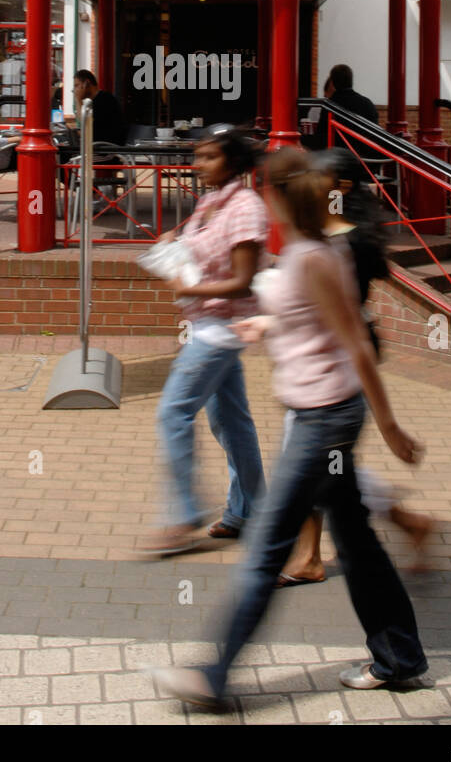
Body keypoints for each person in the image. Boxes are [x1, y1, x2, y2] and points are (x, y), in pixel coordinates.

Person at [156, 145, 430, 708]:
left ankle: (214, 676)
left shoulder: (311, 256)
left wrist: (391, 426)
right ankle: (400, 657)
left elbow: (353, 339)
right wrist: (265, 324)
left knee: (266, 545)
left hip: (322, 419)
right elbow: (314, 320)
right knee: (357, 542)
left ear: (276, 193)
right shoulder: (314, 250)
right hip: (324, 413)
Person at [277, 150, 433, 586]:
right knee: (330, 468)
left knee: (318, 465)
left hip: (338, 364)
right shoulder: (334, 233)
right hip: (323, 364)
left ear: (340, 188)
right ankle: (401, 523)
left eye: (316, 179)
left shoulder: (345, 239)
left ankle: (315, 554)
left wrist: (390, 425)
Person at [139, 125, 267, 556]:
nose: (198, 165)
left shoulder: (246, 207)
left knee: (172, 413)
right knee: (231, 423)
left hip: (220, 330)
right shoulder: (211, 202)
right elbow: (197, 246)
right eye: (197, 156)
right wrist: (173, 242)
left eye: (208, 157)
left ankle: (182, 513)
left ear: (231, 161)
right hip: (206, 326)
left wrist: (187, 289)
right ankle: (249, 511)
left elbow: (243, 282)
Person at [73, 70, 126, 147]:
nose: (75, 90)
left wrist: (78, 99)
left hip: (107, 150)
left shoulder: (105, 100)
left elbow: (86, 126)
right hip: (96, 146)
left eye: (76, 85)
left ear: (86, 83)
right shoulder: (92, 102)